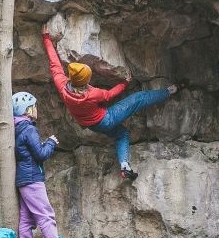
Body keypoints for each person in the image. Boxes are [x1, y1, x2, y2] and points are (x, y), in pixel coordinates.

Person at [42, 25, 180, 181]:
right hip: (107, 118)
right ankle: (170, 91)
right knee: (139, 98)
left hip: (93, 125)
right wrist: (125, 83)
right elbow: (109, 95)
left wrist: (46, 39)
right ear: (86, 80)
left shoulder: (63, 87)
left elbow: (55, 65)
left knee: (122, 134)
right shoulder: (92, 94)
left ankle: (124, 167)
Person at [12, 91, 70, 238]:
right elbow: (41, 154)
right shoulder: (29, 129)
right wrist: (51, 142)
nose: (36, 109)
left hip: (23, 179)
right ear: (27, 109)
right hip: (32, 179)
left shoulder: (16, 128)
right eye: (34, 106)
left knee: (27, 219)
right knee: (46, 216)